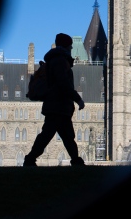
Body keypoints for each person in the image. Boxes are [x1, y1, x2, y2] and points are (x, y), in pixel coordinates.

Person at [23, 33, 86, 167]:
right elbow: (63, 84)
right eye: (70, 46)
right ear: (66, 46)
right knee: (56, 135)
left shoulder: (56, 60)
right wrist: (78, 99)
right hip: (59, 106)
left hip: (56, 106)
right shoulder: (60, 61)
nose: (71, 48)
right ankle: (30, 158)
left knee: (61, 135)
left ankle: (75, 160)